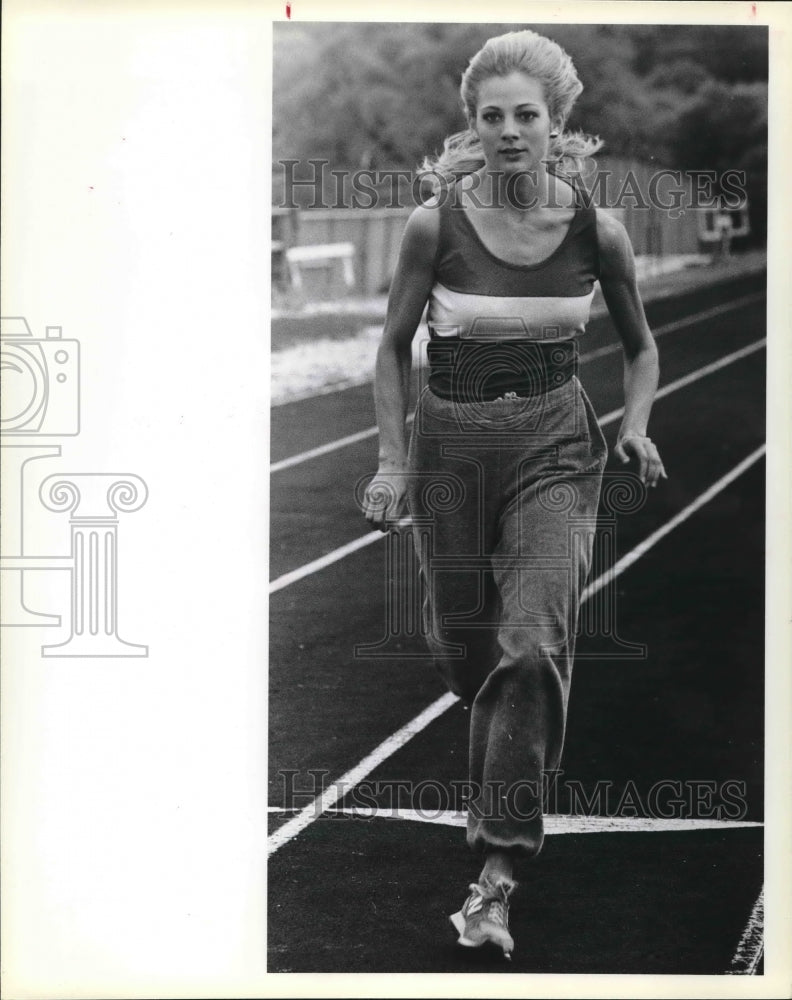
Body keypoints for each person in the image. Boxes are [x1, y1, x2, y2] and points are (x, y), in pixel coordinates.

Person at [361, 28, 667, 960]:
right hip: (451, 447)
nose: (507, 131)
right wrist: (391, 460)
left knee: (531, 645)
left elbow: (643, 348)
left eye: (524, 115)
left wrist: (636, 423)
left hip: (553, 448)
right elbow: (389, 348)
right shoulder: (435, 226)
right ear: (474, 127)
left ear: (554, 124)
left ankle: (495, 873)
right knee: (468, 654)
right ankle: (509, 737)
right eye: (490, 117)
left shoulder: (596, 230)